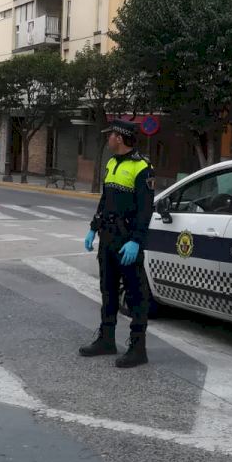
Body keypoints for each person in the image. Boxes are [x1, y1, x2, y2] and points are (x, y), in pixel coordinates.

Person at [79, 119, 155, 368]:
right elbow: (105, 201)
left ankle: (138, 348)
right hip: (108, 238)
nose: (108, 138)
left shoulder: (142, 167)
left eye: (110, 135)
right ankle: (106, 339)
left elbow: (145, 210)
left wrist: (136, 241)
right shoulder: (112, 163)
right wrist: (93, 228)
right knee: (108, 290)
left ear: (119, 138)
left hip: (127, 240)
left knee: (135, 295)